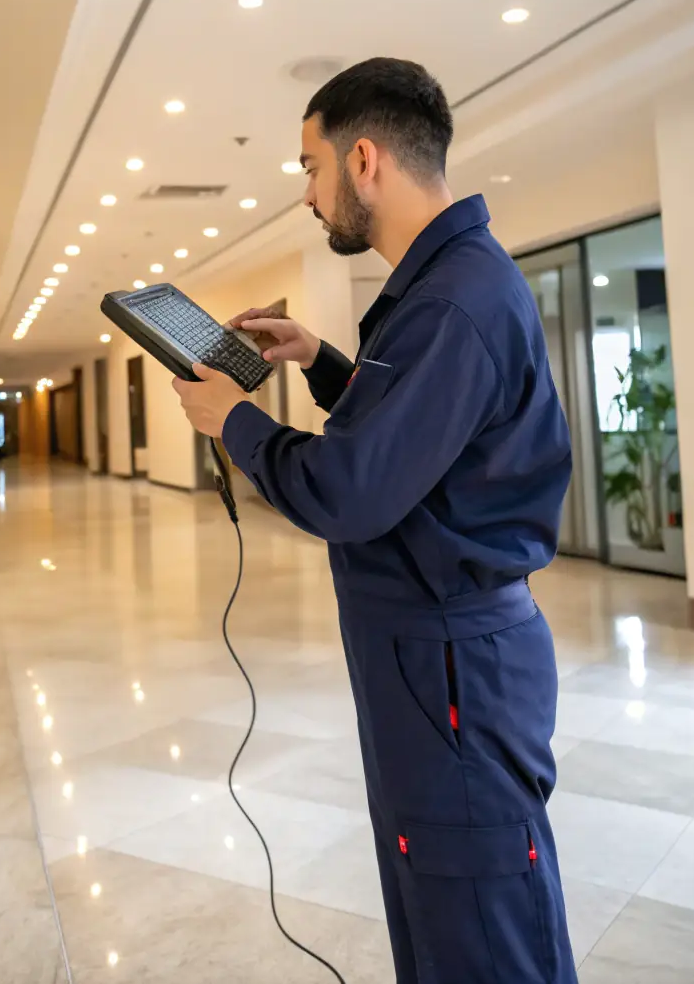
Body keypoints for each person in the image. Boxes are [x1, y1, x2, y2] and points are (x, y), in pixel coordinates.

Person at [173, 57, 577, 984]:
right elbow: (421, 441)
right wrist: (319, 361)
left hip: (453, 668)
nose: (308, 196)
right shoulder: (441, 289)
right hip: (432, 658)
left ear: (362, 161)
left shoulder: (454, 302)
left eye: (309, 169)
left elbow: (349, 491)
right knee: (445, 904)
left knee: (478, 919)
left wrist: (232, 420)